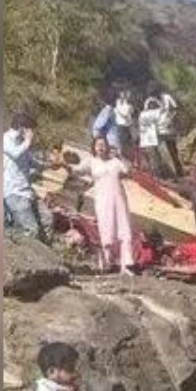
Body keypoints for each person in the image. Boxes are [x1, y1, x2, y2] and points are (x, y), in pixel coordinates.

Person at [66, 137, 136, 275]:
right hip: (103, 200)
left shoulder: (115, 162)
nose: (101, 147)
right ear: (93, 147)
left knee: (124, 229)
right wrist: (64, 164)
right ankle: (108, 262)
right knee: (106, 229)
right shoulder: (91, 162)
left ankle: (126, 264)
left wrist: (121, 157)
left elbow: (128, 171)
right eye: (98, 145)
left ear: (108, 147)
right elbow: (76, 171)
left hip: (119, 199)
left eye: (103, 145)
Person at [3, 113, 46, 241]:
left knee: (47, 219)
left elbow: (32, 162)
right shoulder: (5, 139)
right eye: (31, 129)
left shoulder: (22, 143)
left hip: (26, 192)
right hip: (14, 191)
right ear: (23, 128)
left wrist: (51, 165)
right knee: (31, 230)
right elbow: (15, 153)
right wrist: (28, 141)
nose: (32, 133)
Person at [151, 85, 185, 177]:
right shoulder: (152, 100)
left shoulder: (167, 97)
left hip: (169, 129)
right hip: (159, 130)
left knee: (173, 151)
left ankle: (180, 172)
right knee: (163, 153)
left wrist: (170, 119)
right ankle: (171, 174)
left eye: (156, 94)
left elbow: (176, 109)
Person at [138, 97, 165, 177]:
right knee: (157, 157)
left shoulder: (142, 114)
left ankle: (155, 174)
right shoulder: (154, 113)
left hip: (145, 139)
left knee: (151, 157)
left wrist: (148, 101)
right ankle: (159, 175)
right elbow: (163, 108)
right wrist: (156, 100)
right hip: (153, 139)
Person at [113, 90, 135, 161]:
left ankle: (130, 158)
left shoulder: (128, 104)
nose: (128, 95)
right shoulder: (119, 102)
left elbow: (131, 111)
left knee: (130, 143)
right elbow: (125, 113)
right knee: (122, 143)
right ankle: (122, 158)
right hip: (121, 126)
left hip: (128, 126)